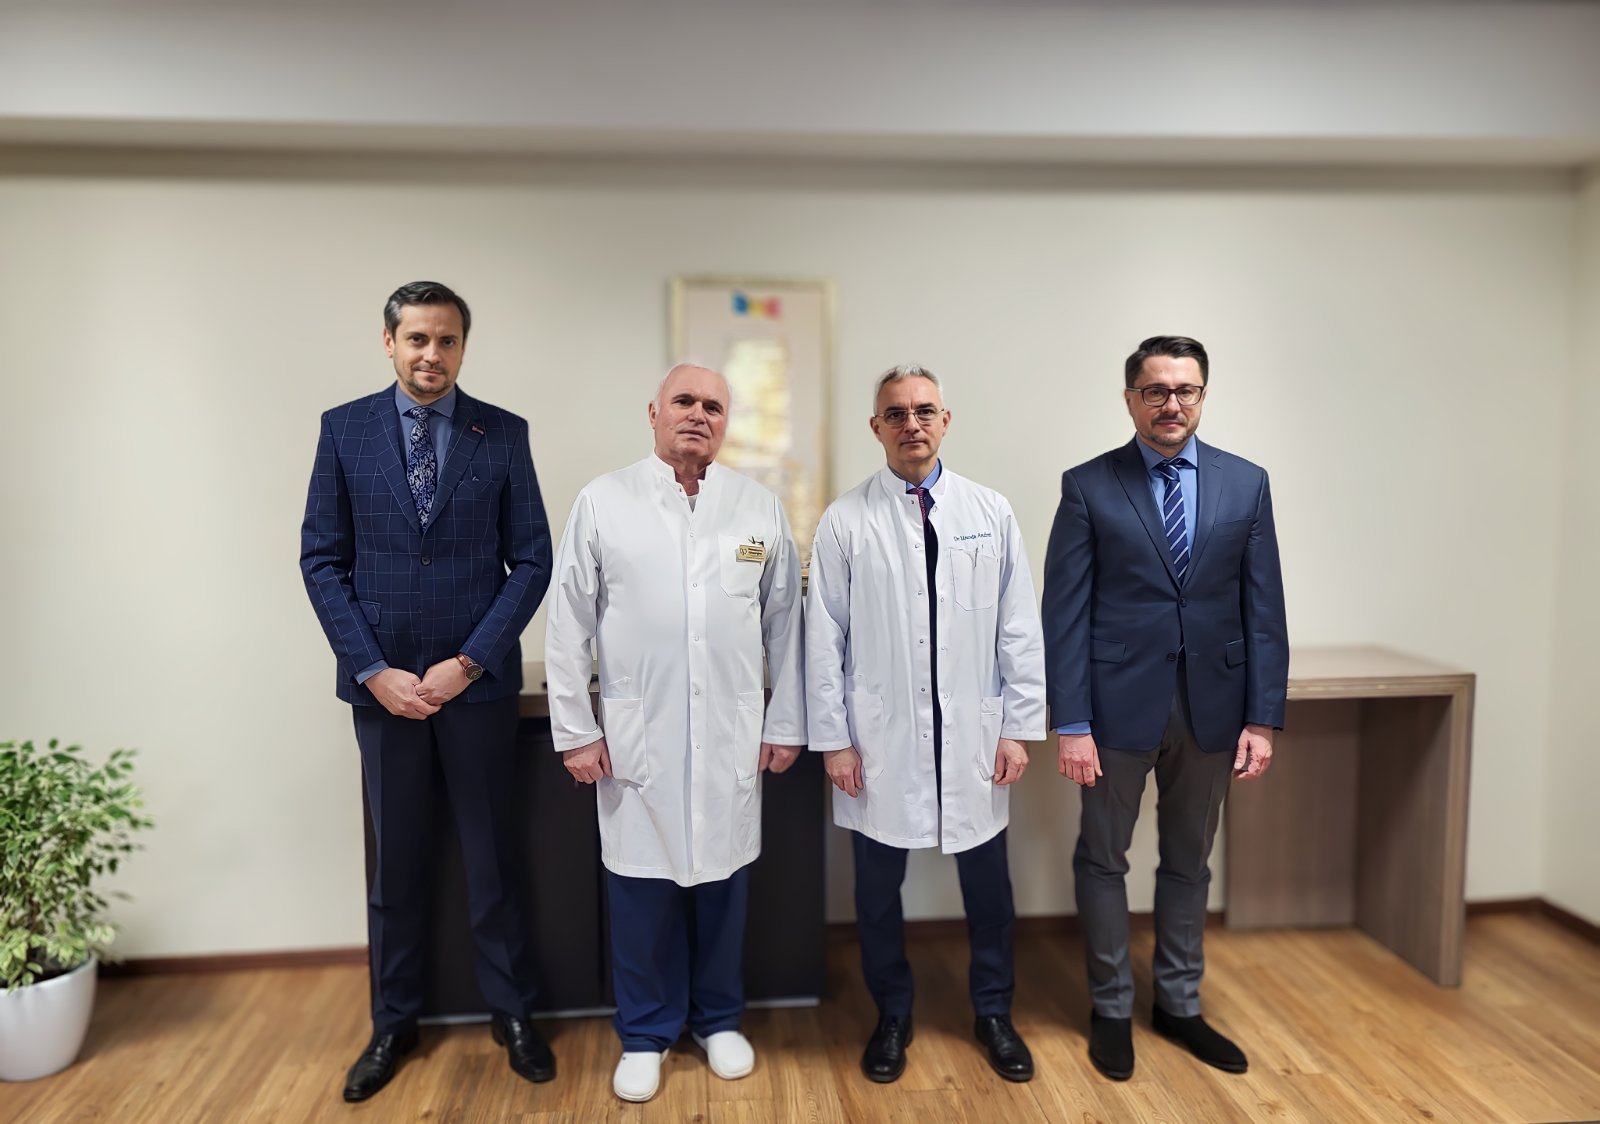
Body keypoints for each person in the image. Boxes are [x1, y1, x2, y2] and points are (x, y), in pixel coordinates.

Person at [300, 280, 555, 1103]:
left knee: (492, 862)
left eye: (446, 340)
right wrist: (373, 669)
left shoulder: (503, 433)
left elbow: (533, 560)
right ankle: (393, 1022)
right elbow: (321, 560)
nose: (431, 354)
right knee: (397, 870)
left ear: (462, 346)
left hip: (474, 690)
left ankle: (513, 1014)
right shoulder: (344, 429)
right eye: (417, 338)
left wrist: (469, 661)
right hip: (383, 692)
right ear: (389, 342)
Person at [544, 363, 806, 1103]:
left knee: (724, 883)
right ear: (654, 412)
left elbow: (786, 625)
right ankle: (645, 1033)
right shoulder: (604, 501)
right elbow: (568, 622)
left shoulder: (757, 507)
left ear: (726, 422)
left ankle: (718, 1019)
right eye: (684, 401)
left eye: (713, 406)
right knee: (641, 888)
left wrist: (786, 720)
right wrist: (576, 730)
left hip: (730, 732)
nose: (698, 414)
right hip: (639, 734)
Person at [1041, 335, 1288, 1081]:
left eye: (1185, 390)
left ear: (1202, 396)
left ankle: (1178, 1004)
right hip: (1114, 711)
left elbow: (1264, 609)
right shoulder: (1088, 486)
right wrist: (1072, 723)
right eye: (1156, 390)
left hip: (1215, 709)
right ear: (1131, 399)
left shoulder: (1247, 483)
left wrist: (1262, 717)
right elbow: (1064, 613)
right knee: (1103, 859)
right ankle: (1111, 1007)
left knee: (1189, 862)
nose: (1171, 403)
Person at [806, 364, 1046, 1084]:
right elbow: (823, 639)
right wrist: (835, 741)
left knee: (989, 891)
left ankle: (994, 1011)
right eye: (896, 413)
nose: (912, 423)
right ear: (876, 427)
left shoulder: (990, 511)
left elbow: (1018, 627)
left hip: (976, 736)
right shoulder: (845, 520)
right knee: (877, 893)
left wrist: (1017, 726)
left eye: (924, 410)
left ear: (945, 421)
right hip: (879, 741)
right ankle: (893, 1014)